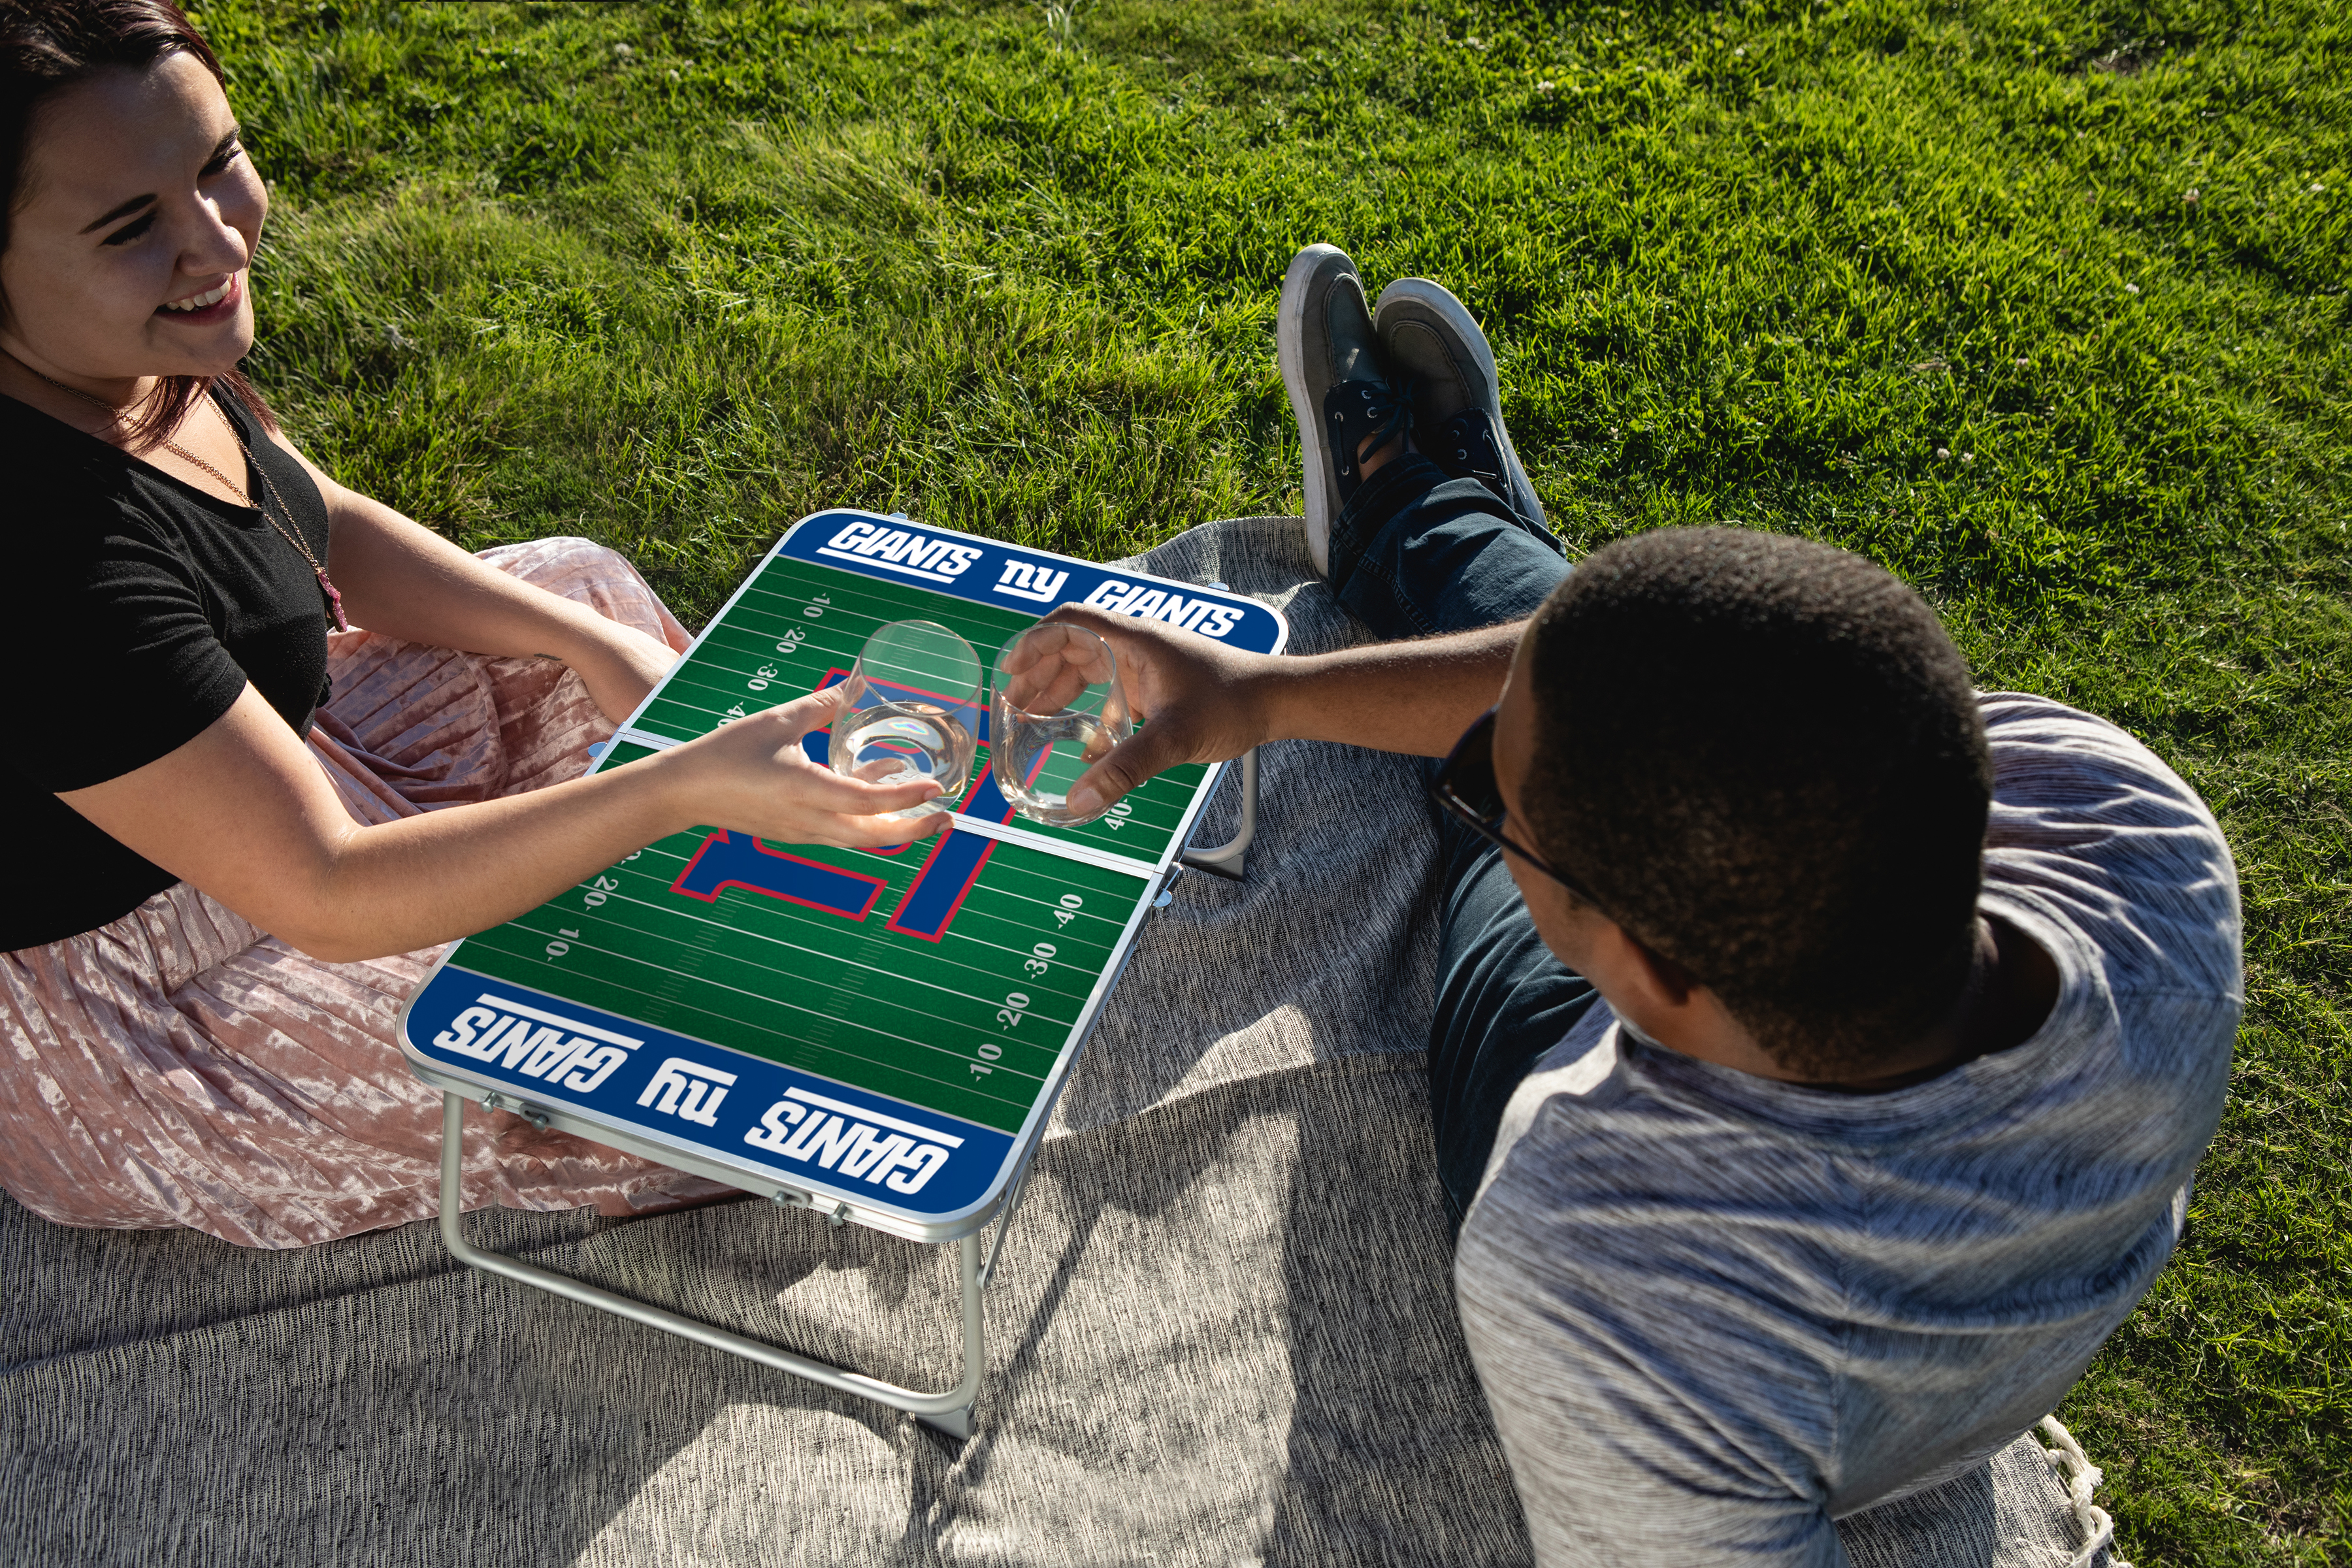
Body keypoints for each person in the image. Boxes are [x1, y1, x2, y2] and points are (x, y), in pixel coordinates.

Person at [1048, 243, 2240, 1564]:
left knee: (1542, 755)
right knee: (1624, 671)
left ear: (1644, 971)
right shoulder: (2133, 825)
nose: (1480, 806)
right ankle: (1444, 526)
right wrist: (1258, 698)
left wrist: (1436, 748)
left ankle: (1428, 521)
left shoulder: (1602, 1263)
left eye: (1496, 810)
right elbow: (1716, 694)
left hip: (1570, 1074)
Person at [0, 0, 947, 1248]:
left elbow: (311, 520)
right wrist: (672, 792)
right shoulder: (40, 552)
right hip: (163, 1001)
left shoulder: (123, 355)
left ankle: (714, 846)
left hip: (287, 774)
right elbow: (326, 891)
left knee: (574, 588)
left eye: (219, 161)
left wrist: (588, 645)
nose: (217, 236)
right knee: (678, 1056)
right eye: (132, 226)